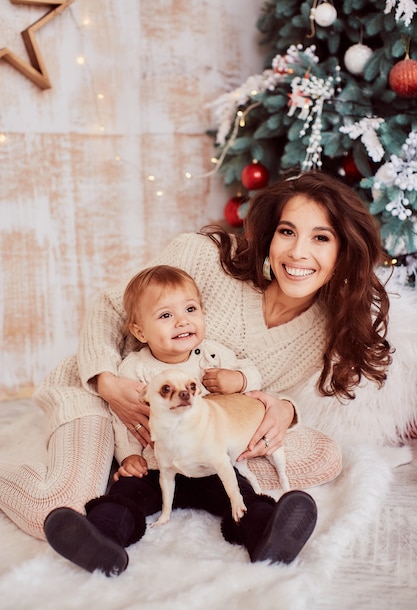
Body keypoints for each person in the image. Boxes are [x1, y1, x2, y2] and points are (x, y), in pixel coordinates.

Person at [1, 170, 413, 570]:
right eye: (287, 232)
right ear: (270, 236)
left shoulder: (324, 328)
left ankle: (234, 512)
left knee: (325, 454)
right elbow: (111, 308)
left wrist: (285, 409)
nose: (297, 253)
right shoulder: (206, 258)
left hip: (187, 424)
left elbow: (255, 392)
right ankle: (106, 481)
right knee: (56, 507)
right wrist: (108, 384)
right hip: (102, 393)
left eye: (320, 238)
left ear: (343, 252)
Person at [42, 264, 313, 575]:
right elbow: (123, 418)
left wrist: (237, 379)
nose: (182, 321)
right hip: (158, 465)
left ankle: (267, 532)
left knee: (240, 496)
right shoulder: (135, 370)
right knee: (126, 495)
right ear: (140, 331)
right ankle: (101, 536)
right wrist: (129, 456)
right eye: (165, 315)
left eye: (190, 309)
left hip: (208, 464)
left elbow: (253, 374)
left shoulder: (213, 356)